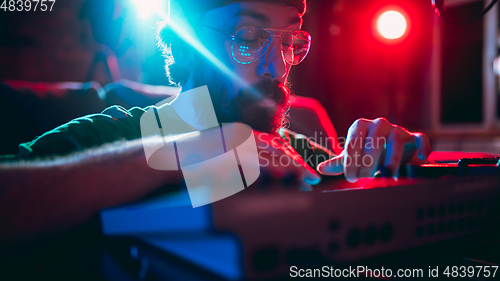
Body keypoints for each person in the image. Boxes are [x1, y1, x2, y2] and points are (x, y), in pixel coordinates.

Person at [0, 0, 431, 250]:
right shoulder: (113, 135)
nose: (278, 65)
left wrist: (388, 162)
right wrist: (189, 153)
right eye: (247, 38)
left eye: (289, 40)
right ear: (183, 47)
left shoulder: (298, 150)